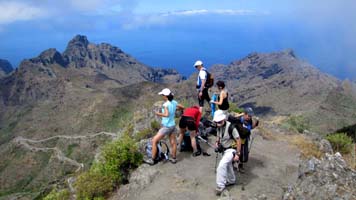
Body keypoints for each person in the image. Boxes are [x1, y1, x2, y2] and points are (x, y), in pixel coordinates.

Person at [146, 88, 184, 165]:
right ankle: (174, 158)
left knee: (154, 141)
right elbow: (182, 107)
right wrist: (174, 109)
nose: (162, 96)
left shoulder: (165, 104)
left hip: (166, 126)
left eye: (163, 95)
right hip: (172, 125)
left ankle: (152, 160)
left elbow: (166, 114)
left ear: (165, 96)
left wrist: (158, 114)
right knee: (173, 142)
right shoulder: (174, 102)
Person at [213, 110, 241, 195]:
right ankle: (231, 180)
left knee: (221, 166)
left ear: (224, 119)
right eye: (217, 122)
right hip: (224, 150)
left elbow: (238, 140)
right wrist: (217, 143)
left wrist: (237, 154)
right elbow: (218, 136)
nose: (218, 123)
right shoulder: (219, 126)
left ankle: (220, 186)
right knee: (227, 165)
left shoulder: (231, 127)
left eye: (220, 121)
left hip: (231, 149)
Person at [234, 107, 258, 172]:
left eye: (250, 116)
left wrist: (255, 125)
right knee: (237, 152)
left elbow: (250, 127)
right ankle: (234, 163)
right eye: (249, 116)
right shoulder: (239, 120)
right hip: (238, 139)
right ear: (244, 114)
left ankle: (240, 165)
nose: (249, 117)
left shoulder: (249, 120)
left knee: (244, 154)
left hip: (245, 139)